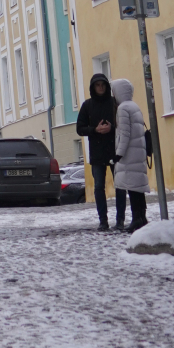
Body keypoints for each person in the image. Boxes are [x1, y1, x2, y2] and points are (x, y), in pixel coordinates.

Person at [75, 72, 119, 230]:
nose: (100, 88)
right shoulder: (87, 105)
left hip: (115, 150)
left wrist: (111, 128)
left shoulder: (114, 103)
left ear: (106, 86)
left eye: (103, 85)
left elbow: (123, 124)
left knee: (120, 185)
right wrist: (95, 129)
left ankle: (120, 219)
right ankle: (103, 220)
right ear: (93, 87)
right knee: (99, 186)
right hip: (97, 151)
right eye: (97, 85)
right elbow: (79, 128)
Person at [111, 78, 150, 232]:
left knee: (132, 189)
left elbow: (124, 134)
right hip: (138, 153)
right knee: (138, 189)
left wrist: (118, 155)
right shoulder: (134, 106)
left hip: (129, 155)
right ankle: (142, 217)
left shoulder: (122, 109)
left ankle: (136, 219)